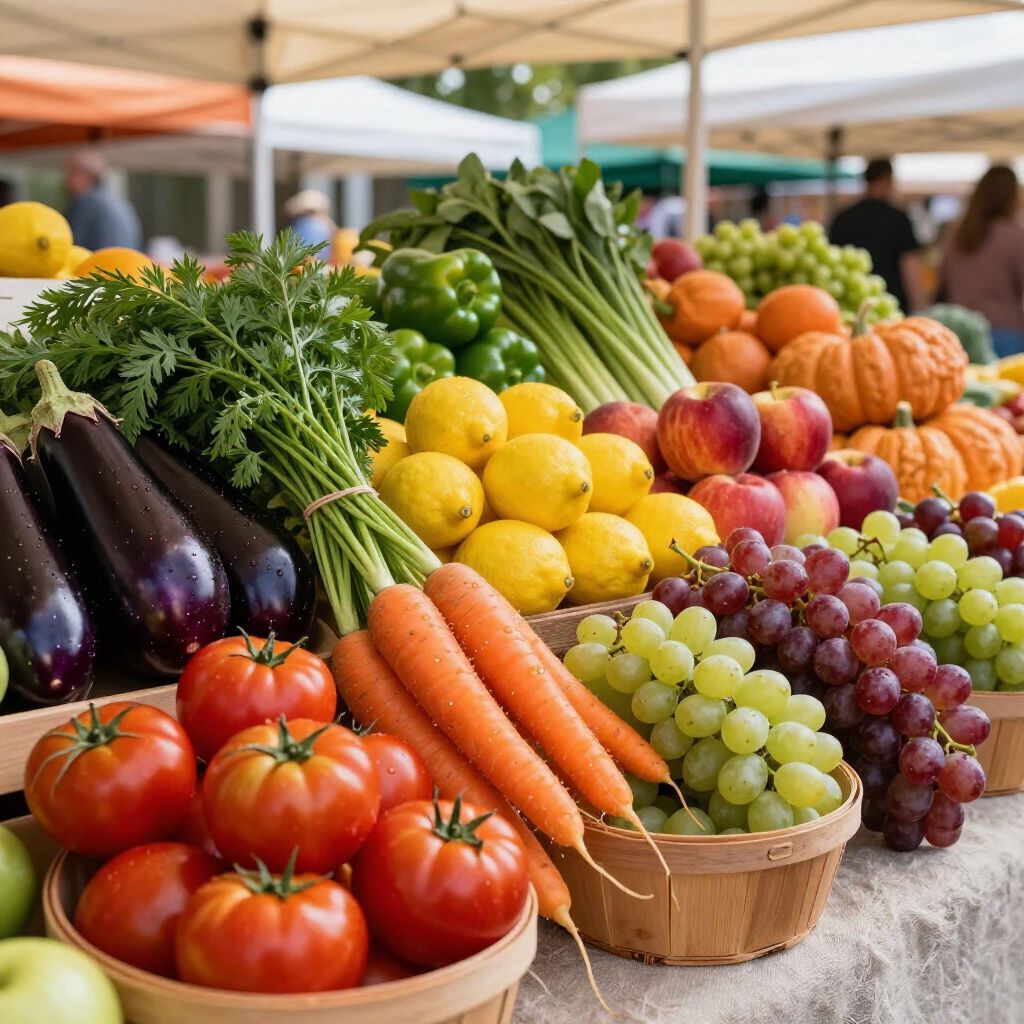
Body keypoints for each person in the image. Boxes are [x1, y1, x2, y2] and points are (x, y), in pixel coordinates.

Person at [940, 165, 1024, 358]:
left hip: (959, 330)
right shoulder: (1014, 235)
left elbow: (942, 283)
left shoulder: (956, 233)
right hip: (1006, 332)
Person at [829, 158, 925, 312]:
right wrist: (920, 305)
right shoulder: (898, 218)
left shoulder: (843, 217)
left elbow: (832, 261)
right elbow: (909, 264)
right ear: (886, 179)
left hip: (850, 304)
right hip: (891, 304)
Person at [64, 150, 142, 251]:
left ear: (83, 174)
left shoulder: (86, 204)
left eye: (69, 173)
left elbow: (68, 246)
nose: (64, 180)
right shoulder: (120, 201)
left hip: (98, 260)